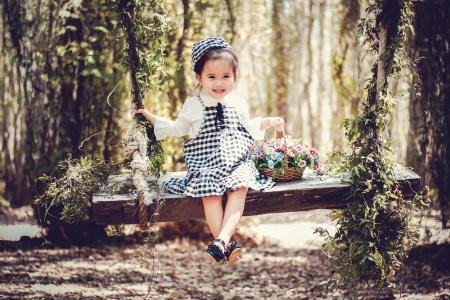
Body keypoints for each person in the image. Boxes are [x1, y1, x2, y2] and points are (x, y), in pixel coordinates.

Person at [136, 37, 284, 265]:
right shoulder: (194, 104)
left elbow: (248, 126)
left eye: (226, 76)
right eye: (211, 77)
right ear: (199, 78)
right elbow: (177, 128)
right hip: (206, 165)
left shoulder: (238, 102)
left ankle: (221, 240)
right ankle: (226, 244)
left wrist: (266, 122)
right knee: (210, 194)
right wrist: (152, 119)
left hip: (237, 163)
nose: (219, 83)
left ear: (234, 77)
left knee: (240, 187)